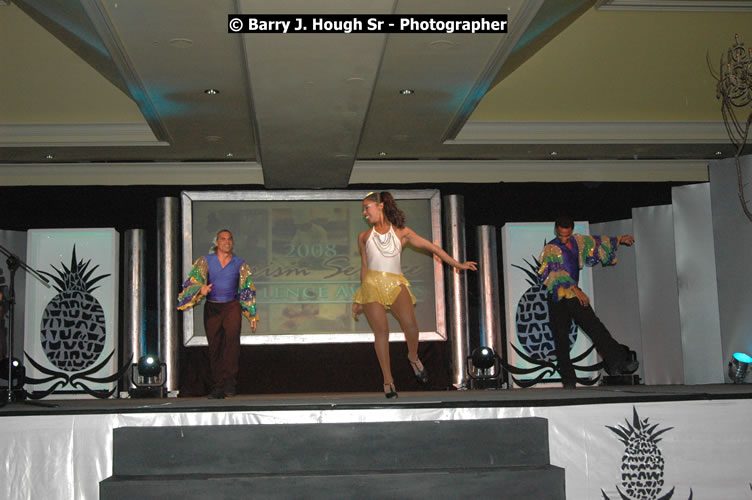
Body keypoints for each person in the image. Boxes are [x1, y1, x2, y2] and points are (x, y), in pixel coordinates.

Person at [352, 192, 477, 399]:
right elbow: (365, 267)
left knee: (411, 326)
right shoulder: (364, 237)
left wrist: (458, 264)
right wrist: (360, 297)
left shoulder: (402, 232)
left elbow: (432, 247)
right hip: (372, 285)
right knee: (381, 331)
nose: (365, 213)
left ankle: (412, 356)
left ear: (381, 206)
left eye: (367, 208)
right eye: (363, 209)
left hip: (395, 282)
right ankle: (388, 380)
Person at [537, 216, 639, 388]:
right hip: (558, 298)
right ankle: (569, 382)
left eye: (567, 235)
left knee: (594, 326)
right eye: (561, 235)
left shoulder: (578, 241)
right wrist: (577, 291)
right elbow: (556, 272)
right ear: (556, 230)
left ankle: (617, 362)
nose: (564, 238)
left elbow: (598, 242)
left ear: (571, 231)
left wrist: (620, 240)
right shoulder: (551, 248)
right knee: (561, 339)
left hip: (574, 297)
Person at [178, 229, 258, 399]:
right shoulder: (205, 261)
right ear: (216, 243)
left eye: (229, 239)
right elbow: (190, 283)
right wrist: (201, 289)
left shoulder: (240, 263)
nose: (227, 242)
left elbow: (246, 289)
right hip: (213, 308)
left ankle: (229, 384)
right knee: (215, 347)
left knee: (231, 346)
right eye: (223, 239)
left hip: (232, 307)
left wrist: (251, 314)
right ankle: (218, 386)